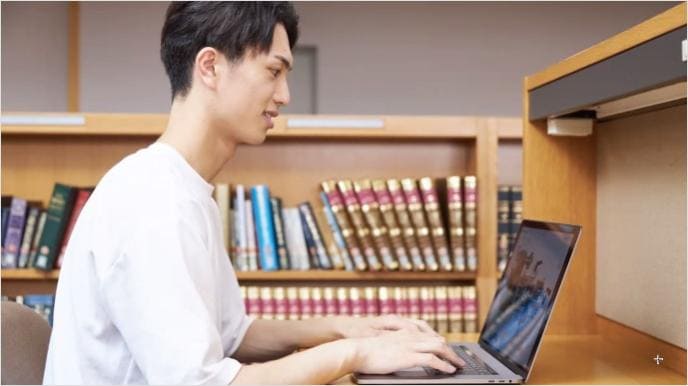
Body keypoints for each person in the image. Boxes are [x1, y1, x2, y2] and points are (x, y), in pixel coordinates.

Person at [43, 2, 464, 384]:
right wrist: (353, 353)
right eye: (273, 71)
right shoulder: (153, 204)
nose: (284, 96)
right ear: (209, 67)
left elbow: (233, 334)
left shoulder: (182, 189)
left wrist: (345, 328)